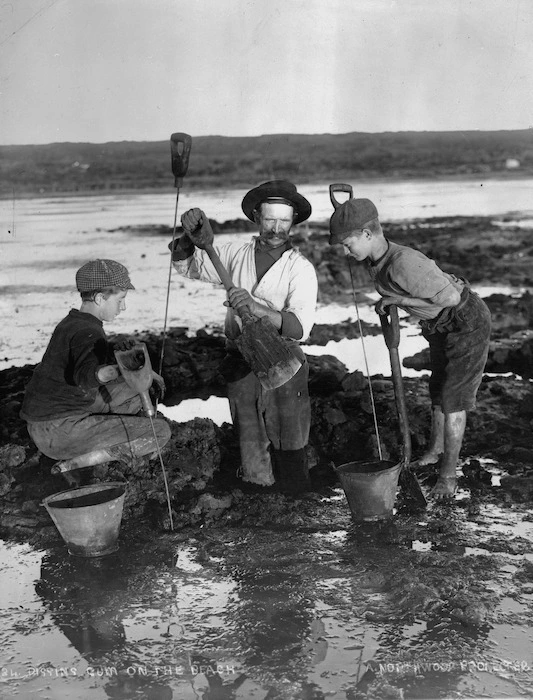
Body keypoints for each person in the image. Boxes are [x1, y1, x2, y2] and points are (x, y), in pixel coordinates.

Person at [329, 198, 491, 499]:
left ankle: (447, 476)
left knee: (454, 397)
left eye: (347, 243)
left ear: (367, 234)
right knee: (438, 389)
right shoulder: (375, 260)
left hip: (465, 319)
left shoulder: (403, 263)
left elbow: (450, 299)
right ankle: (435, 450)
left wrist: (400, 302)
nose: (344, 251)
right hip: (440, 325)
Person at [170, 180, 318, 495]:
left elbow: (298, 327)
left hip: (283, 357)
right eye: (269, 219)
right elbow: (190, 267)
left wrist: (255, 307)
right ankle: (259, 488)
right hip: (239, 355)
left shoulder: (300, 269)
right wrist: (189, 237)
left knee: (288, 425)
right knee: (248, 423)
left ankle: (296, 490)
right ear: (256, 216)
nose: (277, 228)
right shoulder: (234, 252)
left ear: (293, 221)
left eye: (284, 221)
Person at [20, 259, 171, 479]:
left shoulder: (73, 322)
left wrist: (125, 360)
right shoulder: (88, 332)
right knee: (160, 432)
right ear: (100, 298)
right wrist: (123, 371)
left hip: (46, 422)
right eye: (121, 299)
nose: (124, 307)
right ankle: (75, 464)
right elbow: (85, 377)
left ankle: (106, 433)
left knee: (141, 392)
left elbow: (86, 357)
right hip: (60, 433)